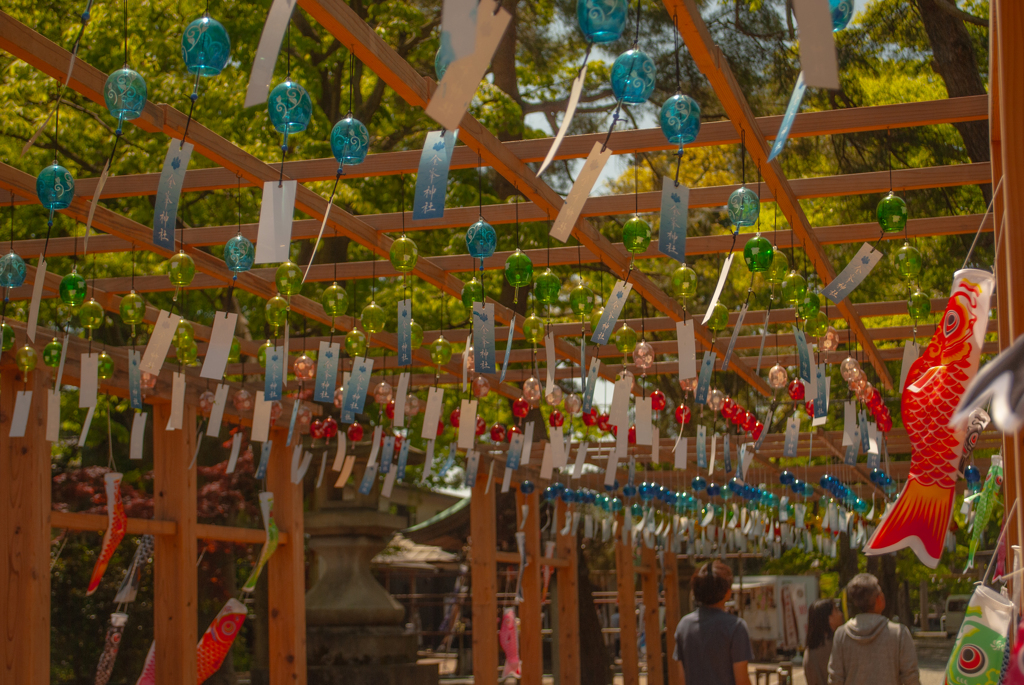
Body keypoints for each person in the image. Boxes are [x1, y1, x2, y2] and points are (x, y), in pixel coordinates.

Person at [672, 560, 754, 685]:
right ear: (727, 592)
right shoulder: (735, 627)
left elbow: (681, 678)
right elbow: (741, 680)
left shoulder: (684, 626)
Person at [828, 573, 919, 685]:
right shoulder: (899, 633)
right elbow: (911, 678)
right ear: (878, 598)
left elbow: (835, 679)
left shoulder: (841, 635)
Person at [804, 599, 843, 685]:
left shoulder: (810, 649)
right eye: (836, 610)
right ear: (829, 619)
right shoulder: (835, 645)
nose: (841, 614)